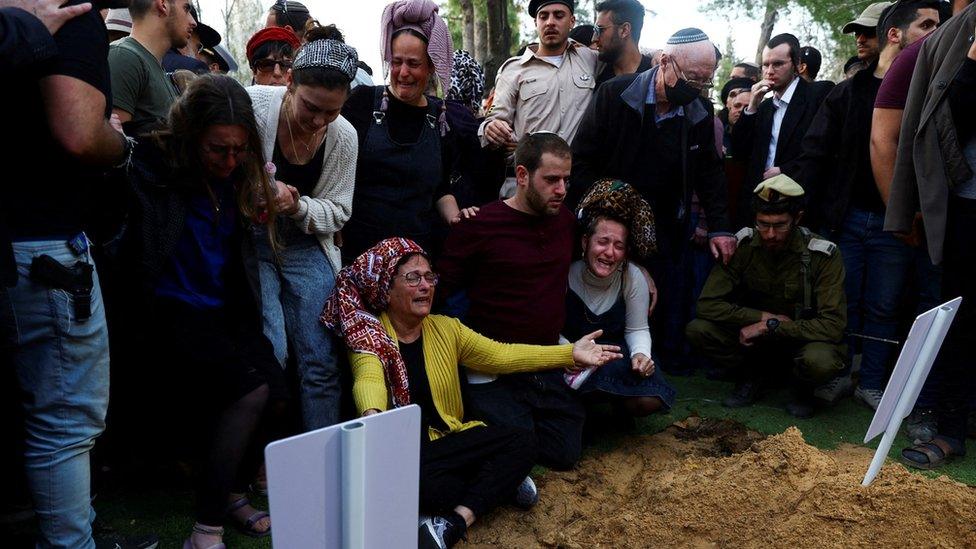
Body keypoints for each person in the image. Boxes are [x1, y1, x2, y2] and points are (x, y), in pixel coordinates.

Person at [322, 239, 620, 549]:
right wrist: (373, 415)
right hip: (406, 455)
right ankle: (496, 486)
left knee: (523, 440)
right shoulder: (369, 334)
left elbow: (502, 355)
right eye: (413, 278)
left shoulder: (447, 328)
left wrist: (569, 353)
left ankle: (453, 521)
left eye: (429, 277)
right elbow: (367, 377)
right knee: (429, 484)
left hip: (453, 442)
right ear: (386, 286)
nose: (425, 286)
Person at [121, 75, 281, 549]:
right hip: (168, 310)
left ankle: (232, 493)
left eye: (239, 150)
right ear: (191, 136)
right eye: (218, 150)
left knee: (276, 383)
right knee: (248, 391)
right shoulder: (148, 163)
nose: (230, 161)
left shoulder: (236, 176)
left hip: (223, 307)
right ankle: (204, 531)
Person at [2, 0, 133, 545]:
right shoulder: (68, 13)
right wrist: (120, 142)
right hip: (45, 251)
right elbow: (79, 130)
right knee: (64, 424)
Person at [797, 0, 942, 408]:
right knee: (842, 303)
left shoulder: (929, 92)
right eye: (926, 24)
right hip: (845, 221)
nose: (861, 39)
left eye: (868, 31)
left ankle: (872, 382)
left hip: (895, 224)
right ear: (898, 33)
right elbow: (816, 153)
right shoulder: (846, 93)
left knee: (884, 306)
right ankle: (839, 374)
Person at [570, 28, 736, 376]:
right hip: (609, 220)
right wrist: (600, 215)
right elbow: (582, 160)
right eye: (692, 79)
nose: (698, 89)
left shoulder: (700, 110)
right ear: (663, 61)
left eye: (706, 82)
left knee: (655, 303)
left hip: (665, 227)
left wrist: (721, 227)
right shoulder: (614, 94)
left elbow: (710, 175)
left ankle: (646, 367)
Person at [437, 133, 585, 470]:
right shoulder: (479, 225)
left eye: (566, 180)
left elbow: (594, 256)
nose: (561, 189)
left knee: (565, 453)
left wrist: (636, 273)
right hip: (492, 367)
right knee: (519, 444)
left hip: (545, 361)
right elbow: (440, 291)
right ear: (522, 175)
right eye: (551, 180)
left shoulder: (565, 222)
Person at [244, 27, 359, 431]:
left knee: (319, 358)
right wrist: (252, 190)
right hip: (251, 238)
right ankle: (259, 454)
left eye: (332, 111)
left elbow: (339, 210)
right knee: (270, 348)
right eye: (311, 107)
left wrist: (298, 205)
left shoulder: (344, 135)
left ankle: (319, 452)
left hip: (306, 243)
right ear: (290, 81)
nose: (319, 120)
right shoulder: (255, 105)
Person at [887, 1, 976, 470]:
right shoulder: (953, 38)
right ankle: (951, 428)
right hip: (967, 208)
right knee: (958, 321)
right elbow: (938, 130)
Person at [686, 175, 846, 418]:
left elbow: (833, 325)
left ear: (797, 218)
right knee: (699, 329)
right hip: (751, 340)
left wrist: (771, 327)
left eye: (780, 225)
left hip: (800, 339)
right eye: (763, 224)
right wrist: (763, 317)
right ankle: (751, 376)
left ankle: (801, 386)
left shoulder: (823, 255)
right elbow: (707, 305)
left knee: (820, 360)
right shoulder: (744, 245)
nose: (770, 234)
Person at [340, 0, 468, 262]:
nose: (403, 72)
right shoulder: (361, 103)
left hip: (414, 258)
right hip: (360, 254)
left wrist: (457, 219)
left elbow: (441, 190)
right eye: (397, 61)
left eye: (413, 63)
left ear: (431, 66)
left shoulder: (442, 119)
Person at [564, 179, 676, 416]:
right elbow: (547, 329)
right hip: (570, 357)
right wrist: (569, 352)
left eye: (619, 246)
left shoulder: (632, 277)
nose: (609, 253)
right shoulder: (564, 273)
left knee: (648, 398)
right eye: (602, 242)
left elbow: (637, 329)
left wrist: (641, 355)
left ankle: (612, 413)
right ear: (585, 242)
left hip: (614, 356)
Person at [730, 33, 831, 226]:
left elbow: (823, 149)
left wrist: (785, 170)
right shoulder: (763, 107)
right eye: (765, 65)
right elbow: (740, 152)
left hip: (803, 204)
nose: (769, 71)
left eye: (777, 64)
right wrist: (751, 107)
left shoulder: (818, 95)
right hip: (761, 206)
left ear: (797, 65)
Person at [480, 0, 598, 157]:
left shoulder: (591, 60)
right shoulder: (513, 70)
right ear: (536, 22)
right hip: (529, 175)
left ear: (572, 21)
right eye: (543, 16)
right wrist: (491, 126)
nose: (550, 22)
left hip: (579, 175)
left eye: (558, 15)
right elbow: (495, 115)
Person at [108, 0, 196, 135]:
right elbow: (114, 147)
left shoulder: (153, 65)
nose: (193, 22)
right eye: (186, 9)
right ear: (163, 5)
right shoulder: (124, 57)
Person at [593, 0, 653, 88]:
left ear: (624, 30)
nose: (594, 39)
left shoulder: (655, 77)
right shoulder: (596, 70)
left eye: (600, 30)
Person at [162, 5, 219, 74]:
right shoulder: (196, 67)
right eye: (198, 47)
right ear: (187, 36)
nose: (197, 55)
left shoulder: (152, 57)